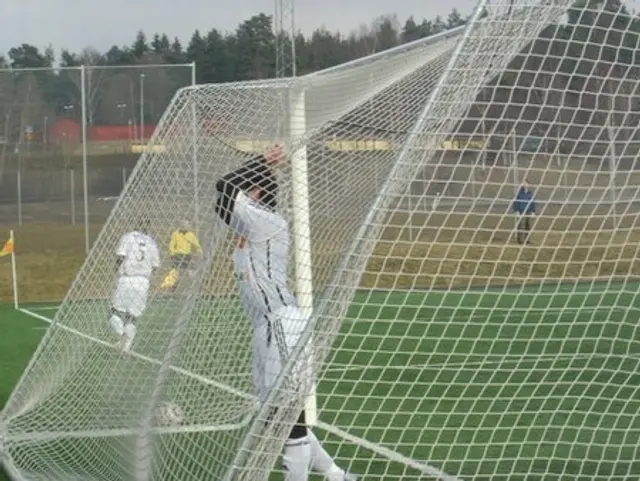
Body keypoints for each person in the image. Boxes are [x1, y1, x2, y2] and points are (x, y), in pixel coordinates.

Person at [218, 146, 357, 481]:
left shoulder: (268, 223)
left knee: (285, 416)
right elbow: (223, 198)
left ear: (257, 193)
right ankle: (336, 476)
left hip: (282, 321)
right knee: (275, 416)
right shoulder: (247, 227)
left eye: (247, 189)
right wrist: (256, 167)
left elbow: (224, 186)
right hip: (267, 327)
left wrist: (261, 163)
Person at [109, 219, 160, 352]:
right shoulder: (151, 242)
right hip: (143, 281)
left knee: (115, 312)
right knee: (132, 316)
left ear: (136, 225)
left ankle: (121, 334)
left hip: (127, 279)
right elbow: (155, 265)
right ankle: (126, 347)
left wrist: (115, 270)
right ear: (148, 228)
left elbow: (120, 256)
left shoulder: (128, 237)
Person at [161, 220, 203, 291]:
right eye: (184, 224)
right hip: (178, 255)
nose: (185, 226)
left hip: (187, 255)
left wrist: (199, 251)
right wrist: (172, 253)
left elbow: (196, 244)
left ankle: (197, 286)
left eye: (188, 224)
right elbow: (172, 244)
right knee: (175, 271)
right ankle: (170, 286)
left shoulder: (190, 235)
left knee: (191, 271)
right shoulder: (176, 234)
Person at [513, 179, 536, 245]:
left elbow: (533, 203)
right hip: (521, 211)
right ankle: (520, 240)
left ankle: (527, 240)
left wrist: (533, 211)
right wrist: (516, 210)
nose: (525, 184)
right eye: (523, 183)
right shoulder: (519, 193)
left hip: (528, 211)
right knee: (521, 225)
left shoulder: (530, 193)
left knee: (527, 225)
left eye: (526, 183)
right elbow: (516, 202)